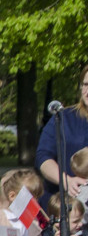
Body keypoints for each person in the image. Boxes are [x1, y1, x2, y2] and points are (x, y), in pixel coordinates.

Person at [35, 63, 88, 199]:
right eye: (86, 85)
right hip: (63, 203)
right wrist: (67, 181)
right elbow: (43, 157)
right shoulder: (63, 118)